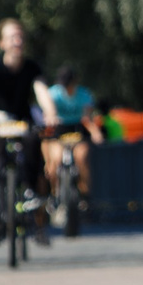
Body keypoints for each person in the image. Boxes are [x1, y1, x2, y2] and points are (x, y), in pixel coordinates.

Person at [0, 18, 55, 244]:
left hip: (22, 124)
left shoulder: (31, 67)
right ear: (2, 42)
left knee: (34, 149)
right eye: (11, 37)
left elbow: (42, 93)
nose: (17, 41)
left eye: (20, 37)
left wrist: (51, 113)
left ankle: (31, 197)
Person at [42, 62, 103, 201]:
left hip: (77, 130)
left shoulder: (83, 94)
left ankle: (85, 194)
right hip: (58, 131)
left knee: (81, 158)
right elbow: (47, 117)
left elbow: (87, 118)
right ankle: (55, 193)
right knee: (55, 161)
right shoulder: (53, 94)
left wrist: (95, 132)